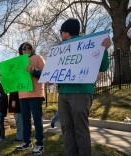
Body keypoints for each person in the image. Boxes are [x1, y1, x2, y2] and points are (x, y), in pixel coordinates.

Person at [57, 18, 111, 156]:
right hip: (63, 93)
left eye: (61, 32)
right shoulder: (61, 49)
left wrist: (104, 49)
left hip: (80, 92)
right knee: (67, 128)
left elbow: (103, 67)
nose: (61, 35)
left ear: (66, 32)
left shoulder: (89, 44)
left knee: (78, 129)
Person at [16, 42, 45, 155]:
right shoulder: (18, 62)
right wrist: (4, 75)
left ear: (32, 49)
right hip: (23, 95)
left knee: (37, 120)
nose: (26, 50)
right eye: (24, 49)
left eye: (29, 48)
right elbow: (14, 78)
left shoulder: (38, 58)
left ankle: (40, 144)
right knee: (25, 120)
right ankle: (27, 142)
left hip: (35, 94)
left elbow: (46, 73)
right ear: (21, 50)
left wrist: (34, 71)